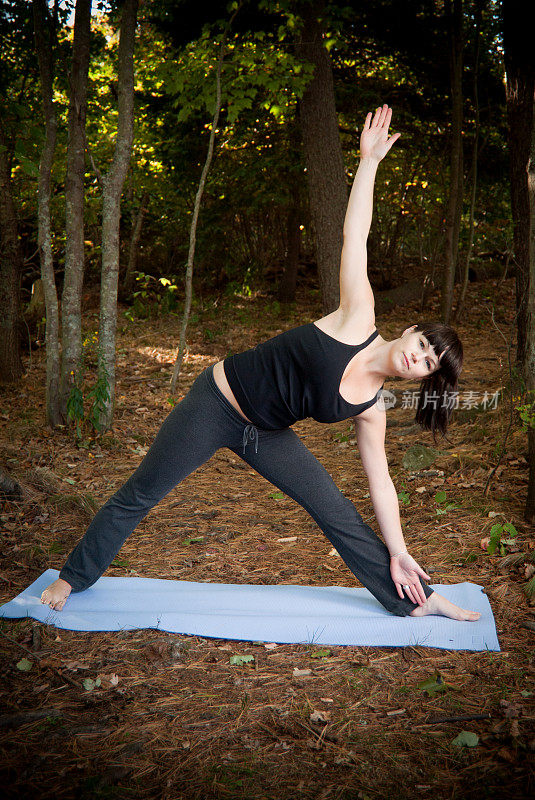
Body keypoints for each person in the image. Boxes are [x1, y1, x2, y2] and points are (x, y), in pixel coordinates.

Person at [41, 105, 481, 622]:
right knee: (143, 490)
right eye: (424, 344)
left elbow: (381, 482)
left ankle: (415, 601)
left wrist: (400, 548)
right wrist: (368, 163)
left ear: (421, 378)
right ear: (411, 330)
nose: (418, 356)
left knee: (335, 511)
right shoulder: (358, 315)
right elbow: (354, 237)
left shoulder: (372, 407)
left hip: (264, 434)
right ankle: (74, 576)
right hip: (216, 402)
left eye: (428, 364)